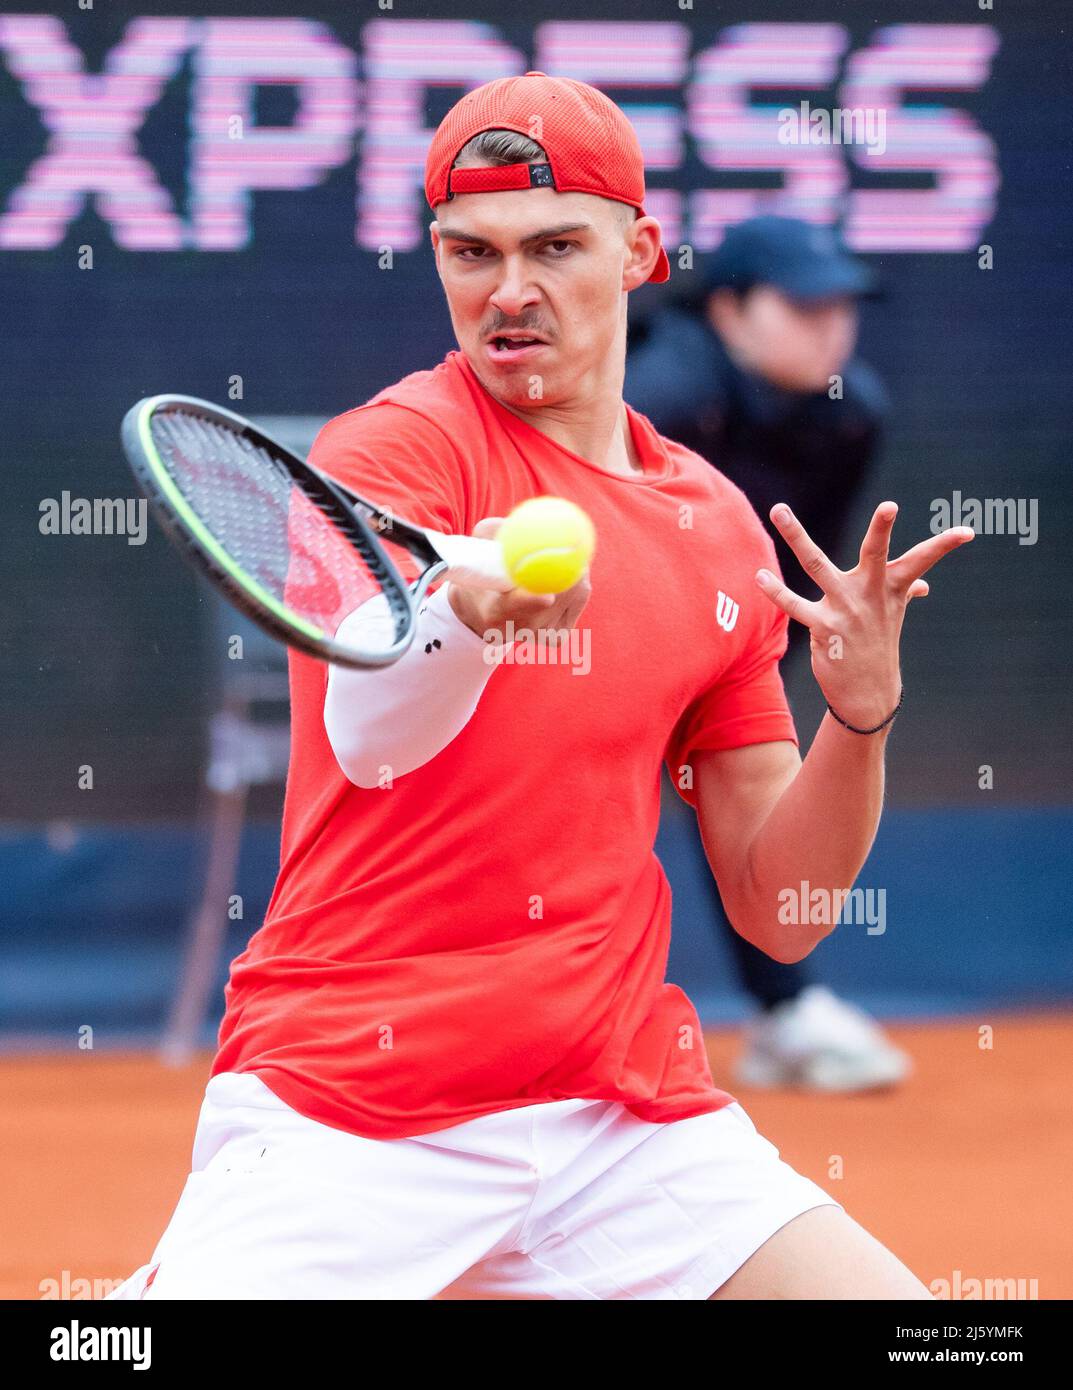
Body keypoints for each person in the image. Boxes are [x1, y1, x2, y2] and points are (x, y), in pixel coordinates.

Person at [110, 73, 970, 1301]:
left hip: (617, 1116)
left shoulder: (715, 528)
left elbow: (785, 909)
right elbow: (371, 737)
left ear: (639, 253)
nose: (508, 292)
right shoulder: (391, 453)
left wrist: (858, 716)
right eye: (472, 252)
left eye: (554, 246)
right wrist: (463, 615)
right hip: (354, 1104)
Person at [626, 215, 910, 1092]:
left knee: (748, 790)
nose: (831, 327)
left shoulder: (851, 414)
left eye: (841, 306)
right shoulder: (657, 395)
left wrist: (746, 683)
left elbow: (809, 566)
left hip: (732, 633)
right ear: (728, 311)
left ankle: (785, 1014)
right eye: (802, 305)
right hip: (592, 636)